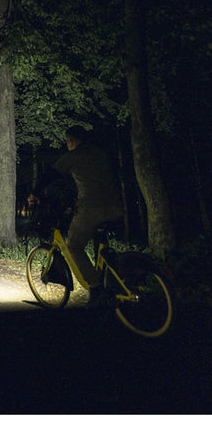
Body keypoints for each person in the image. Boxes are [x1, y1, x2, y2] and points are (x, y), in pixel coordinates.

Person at [28, 126, 124, 307]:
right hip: (116, 208)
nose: (67, 145)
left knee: (73, 245)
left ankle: (96, 288)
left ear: (71, 141)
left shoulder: (72, 156)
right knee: (100, 244)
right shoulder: (100, 153)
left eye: (67, 142)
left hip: (93, 209)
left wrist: (34, 193)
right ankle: (108, 279)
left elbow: (50, 175)